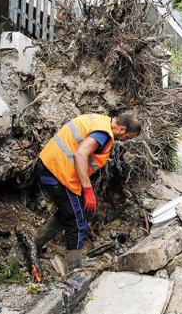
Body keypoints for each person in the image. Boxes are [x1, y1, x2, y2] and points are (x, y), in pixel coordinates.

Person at [33, 113, 141, 270]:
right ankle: (74, 269)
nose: (125, 140)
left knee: (76, 211)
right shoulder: (103, 134)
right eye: (128, 137)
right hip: (57, 172)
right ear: (122, 128)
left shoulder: (100, 120)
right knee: (77, 222)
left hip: (53, 166)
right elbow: (81, 154)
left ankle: (35, 242)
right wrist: (88, 190)